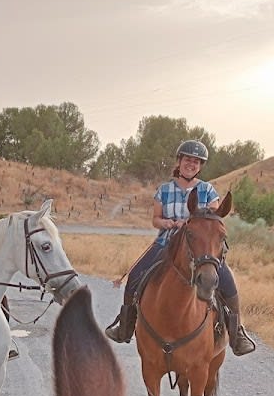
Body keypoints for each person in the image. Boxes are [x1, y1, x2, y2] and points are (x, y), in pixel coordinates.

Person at [103, 139, 256, 356]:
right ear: (180, 161)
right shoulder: (164, 190)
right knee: (136, 276)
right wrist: (166, 223)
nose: (191, 164)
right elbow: (156, 219)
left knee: (227, 280)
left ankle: (237, 331)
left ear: (200, 166)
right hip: (166, 243)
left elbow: (212, 218)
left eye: (196, 162)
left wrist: (192, 223)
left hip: (200, 247)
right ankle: (125, 325)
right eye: (187, 160)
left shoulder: (207, 190)